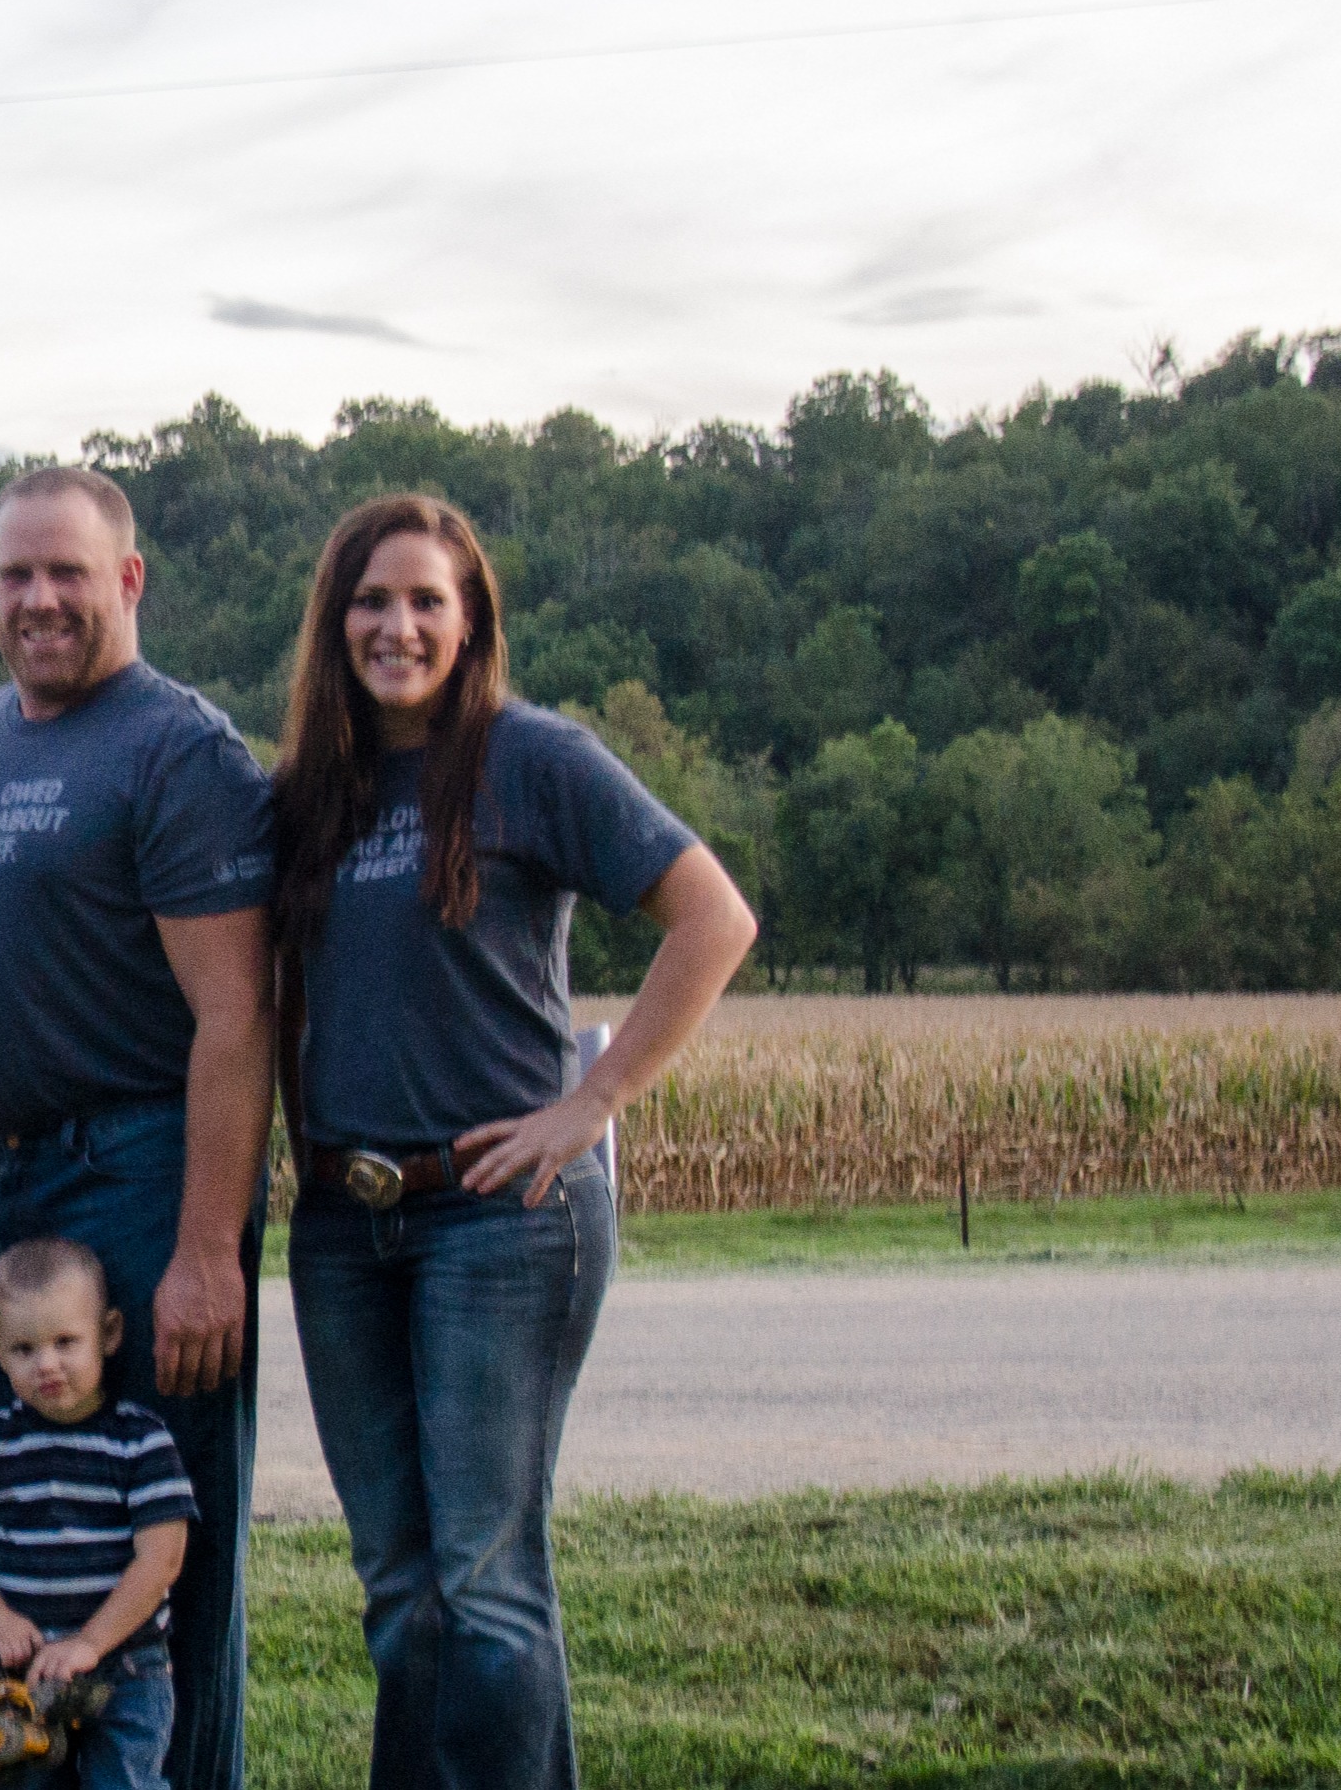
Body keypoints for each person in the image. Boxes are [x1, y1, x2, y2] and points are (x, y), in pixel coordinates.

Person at [269, 493, 755, 1790]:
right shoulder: (306, 792)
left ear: (470, 617)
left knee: (486, 1581)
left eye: (428, 598)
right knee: (401, 1594)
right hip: (338, 1225)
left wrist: (591, 1102)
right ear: (336, 619)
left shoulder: (531, 758)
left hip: (501, 1213)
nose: (398, 623)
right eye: (372, 598)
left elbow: (712, 919)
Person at [0, 465, 273, 1790]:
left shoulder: (177, 749)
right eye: (15, 573)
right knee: (24, 1515)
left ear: (127, 580)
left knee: (159, 1553)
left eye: (68, 570)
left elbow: (234, 1015)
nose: (40, 597)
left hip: (137, 1174)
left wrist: (206, 1250)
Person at [0, 1238, 192, 1790]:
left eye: (66, 1341)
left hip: (126, 1667)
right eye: (23, 1349)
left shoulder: (141, 1442)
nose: (46, 1363)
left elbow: (162, 1560)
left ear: (109, 1333)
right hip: (19, 1668)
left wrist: (90, 1643)